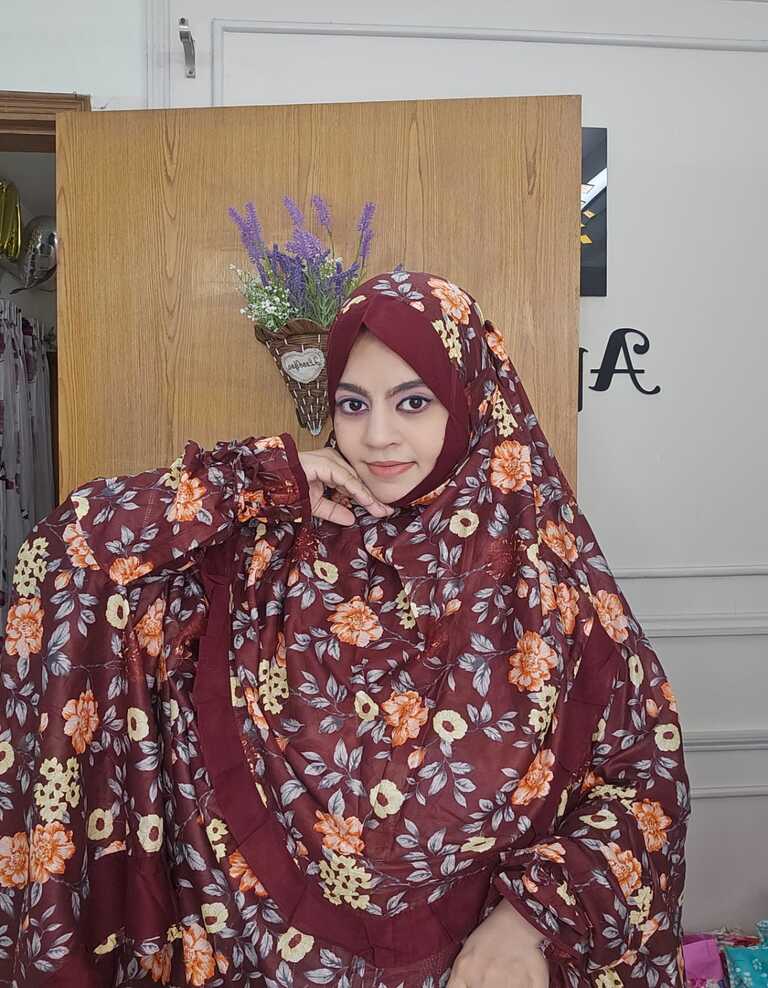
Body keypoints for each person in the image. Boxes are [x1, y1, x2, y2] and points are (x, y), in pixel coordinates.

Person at [0, 269, 689, 987]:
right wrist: (254, 481)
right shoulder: (268, 553)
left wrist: (530, 919)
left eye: (413, 401)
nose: (378, 436)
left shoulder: (550, 590)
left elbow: (645, 787)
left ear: (471, 399)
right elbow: (70, 552)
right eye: (353, 404)